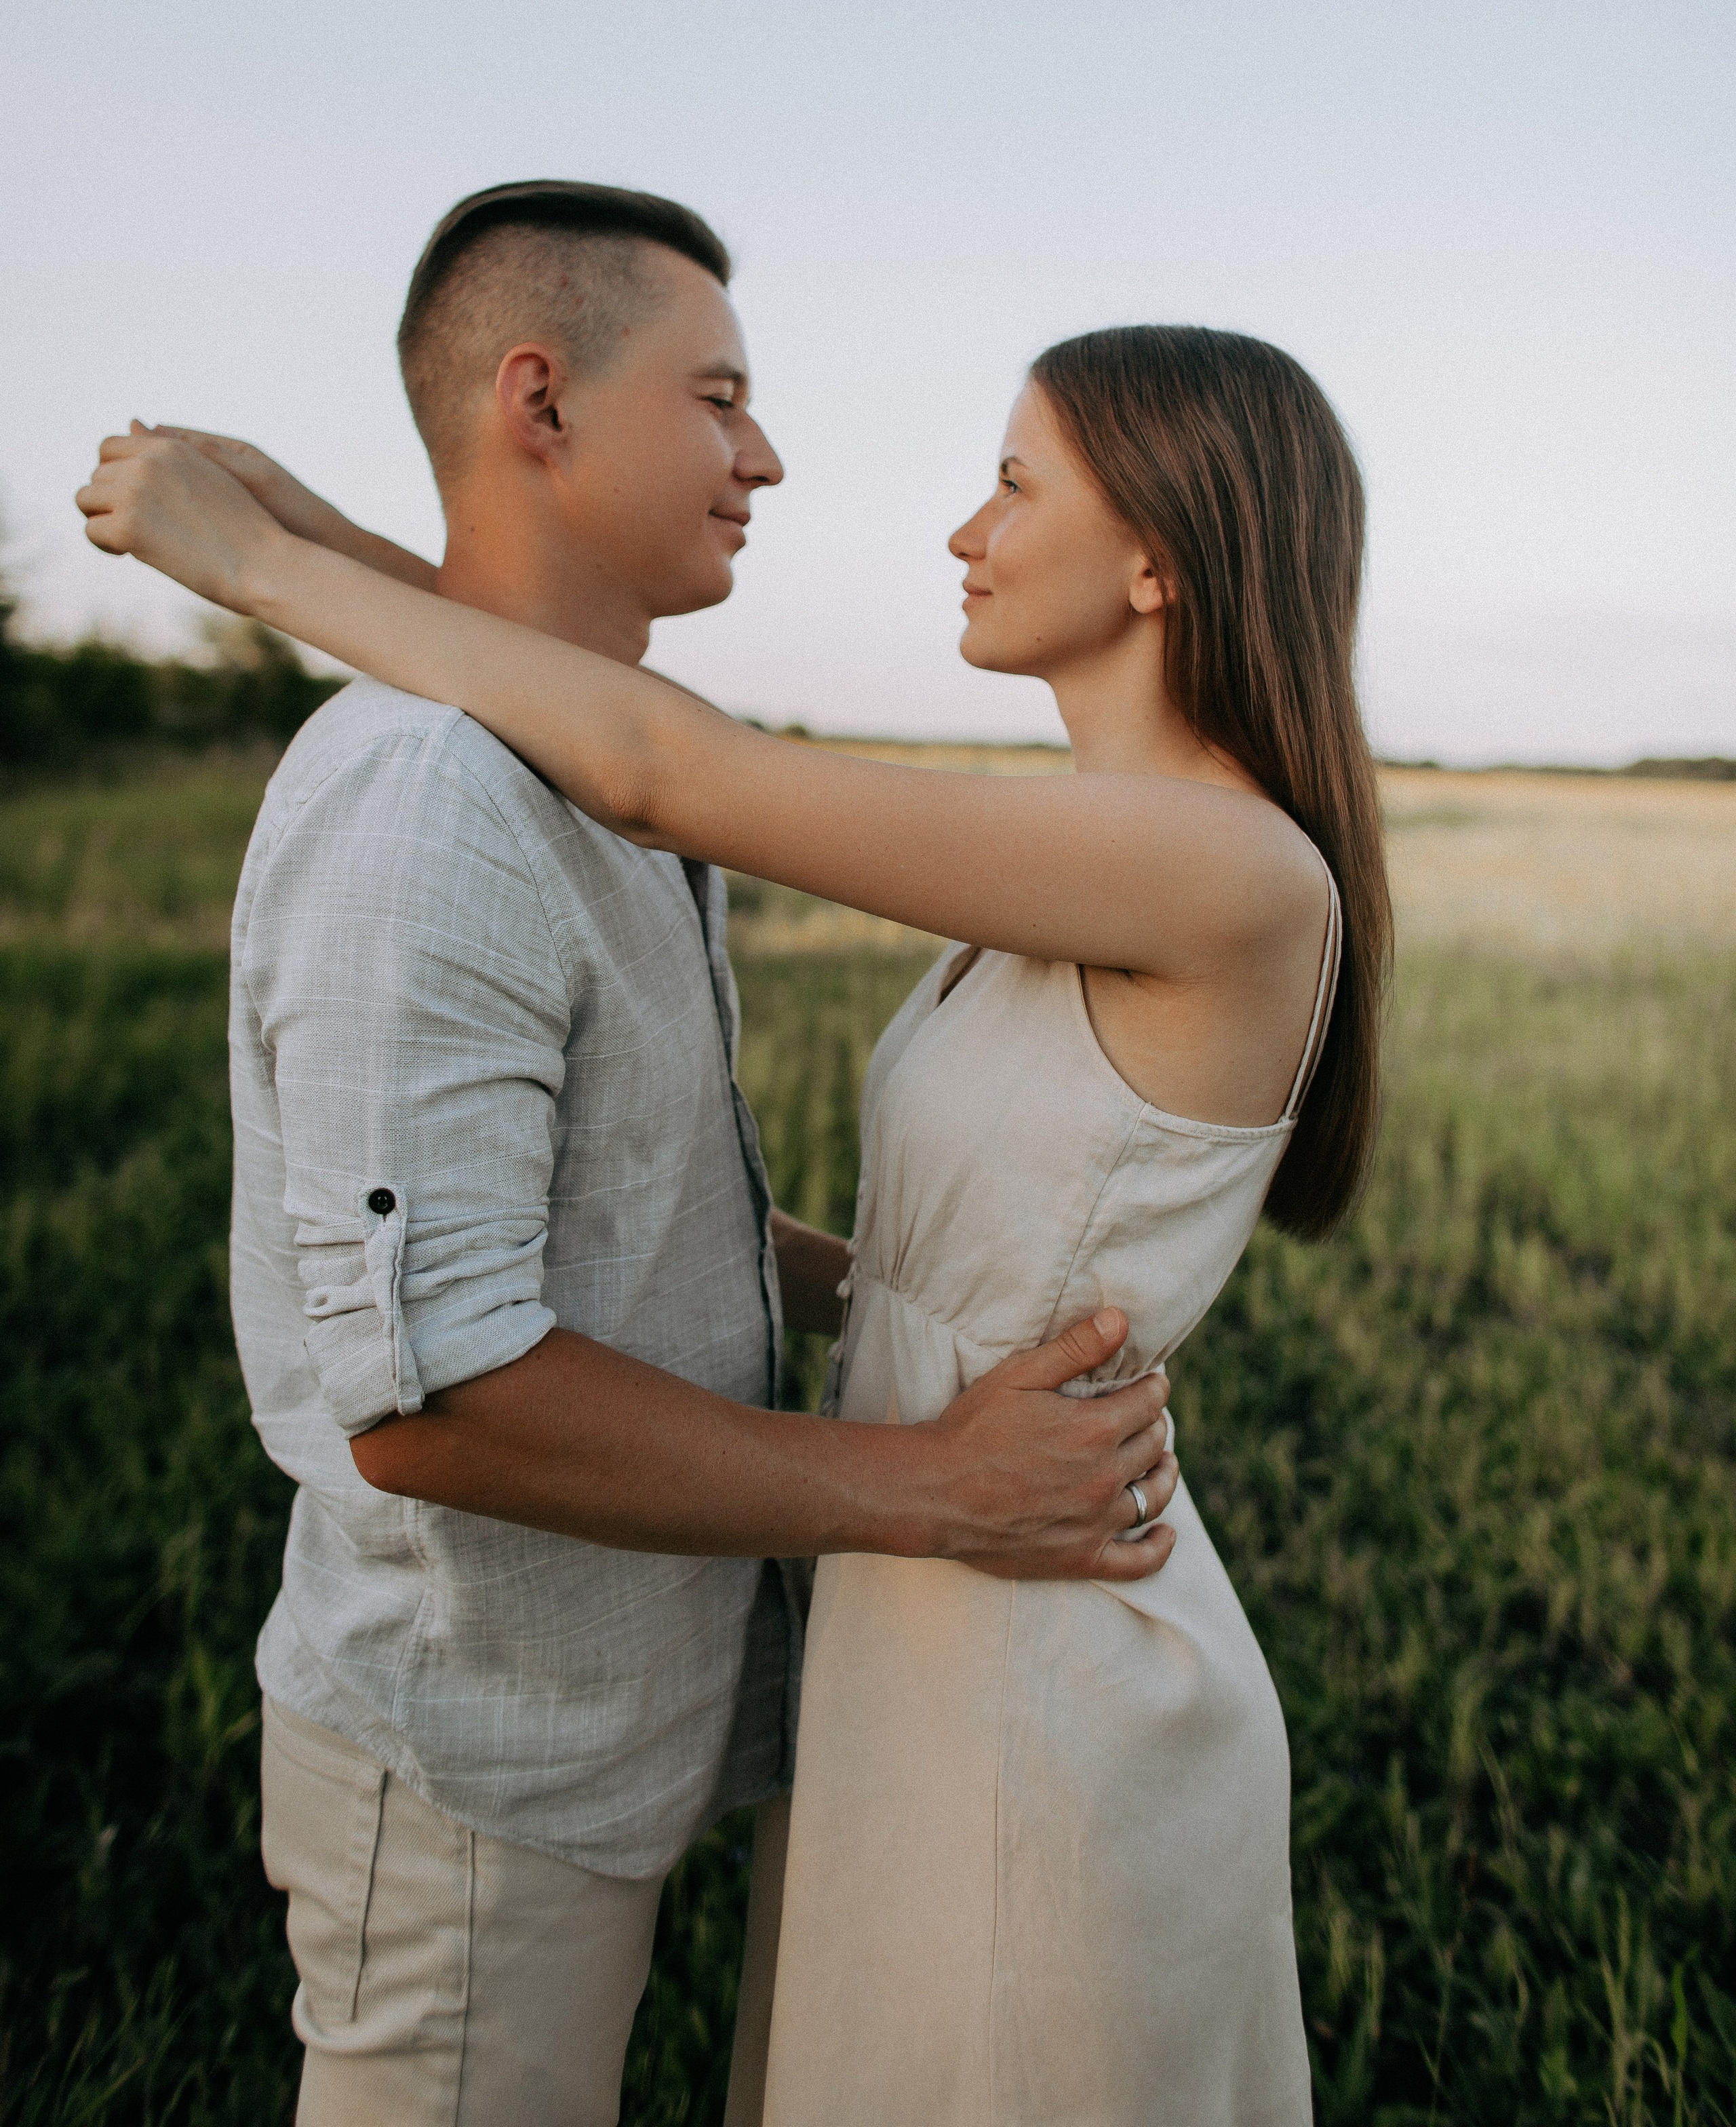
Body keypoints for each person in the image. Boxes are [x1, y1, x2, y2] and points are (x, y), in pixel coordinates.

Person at [79, 301, 1392, 2125]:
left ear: (1160, 555)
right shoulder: (1102, 837)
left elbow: (657, 768)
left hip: (1038, 1650)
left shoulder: (1225, 869)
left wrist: (265, 580)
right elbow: (636, 720)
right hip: (926, 1601)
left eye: (1013, 484)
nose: (964, 530)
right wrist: (312, 525)